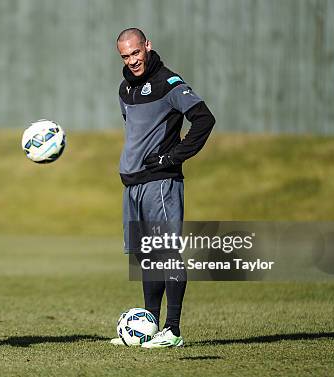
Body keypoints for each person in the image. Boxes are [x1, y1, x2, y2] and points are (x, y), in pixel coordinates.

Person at [112, 28, 215, 348]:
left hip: (160, 183)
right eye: (125, 56)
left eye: (135, 53)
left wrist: (173, 156)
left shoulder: (170, 83)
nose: (132, 60)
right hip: (133, 185)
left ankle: (172, 331)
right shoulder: (125, 89)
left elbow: (204, 119)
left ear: (147, 46)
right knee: (148, 258)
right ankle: (150, 327)